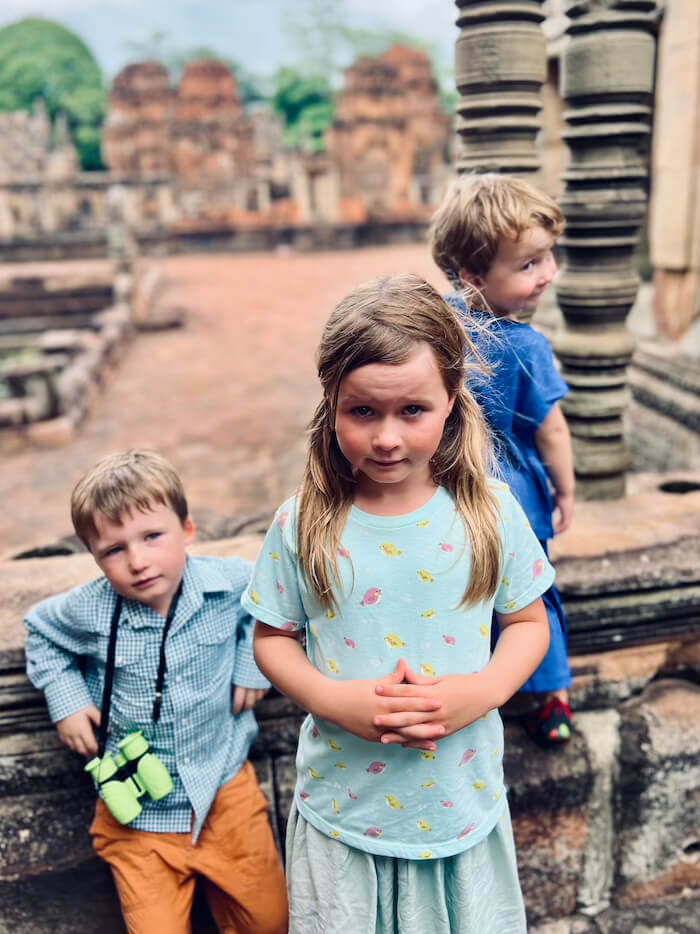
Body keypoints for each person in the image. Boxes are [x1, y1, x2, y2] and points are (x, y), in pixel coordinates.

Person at [242, 274, 553, 934]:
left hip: (458, 808)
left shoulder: (489, 512)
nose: (387, 438)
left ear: (451, 402)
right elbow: (271, 638)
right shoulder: (304, 524)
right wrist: (334, 701)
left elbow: (527, 622)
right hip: (345, 815)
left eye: (412, 411)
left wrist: (484, 691)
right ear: (332, 406)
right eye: (364, 412)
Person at [24, 450, 288, 934]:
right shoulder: (89, 610)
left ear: (187, 530)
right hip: (139, 818)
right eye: (114, 550)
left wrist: (253, 665)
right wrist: (67, 701)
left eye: (152, 537)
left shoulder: (225, 584)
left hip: (225, 789)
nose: (138, 561)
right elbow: (41, 631)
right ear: (94, 556)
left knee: (268, 922)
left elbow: (269, 599)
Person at [429, 172, 575, 745]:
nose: (550, 274)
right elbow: (553, 433)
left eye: (548, 257)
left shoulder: (436, 326)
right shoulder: (528, 346)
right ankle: (551, 697)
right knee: (532, 596)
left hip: (448, 491)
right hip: (514, 495)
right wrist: (565, 492)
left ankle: (472, 686)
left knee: (468, 593)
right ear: (472, 275)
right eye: (530, 265)